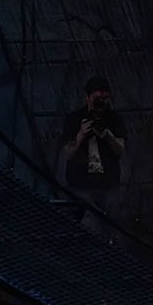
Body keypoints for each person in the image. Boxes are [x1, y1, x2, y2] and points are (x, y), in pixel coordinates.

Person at [59, 76, 127, 240]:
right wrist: (81, 134)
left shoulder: (113, 118)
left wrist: (106, 135)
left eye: (105, 98)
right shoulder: (74, 119)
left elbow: (120, 151)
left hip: (108, 184)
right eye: (97, 99)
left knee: (112, 230)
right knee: (87, 230)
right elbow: (67, 154)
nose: (101, 103)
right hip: (81, 185)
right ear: (87, 97)